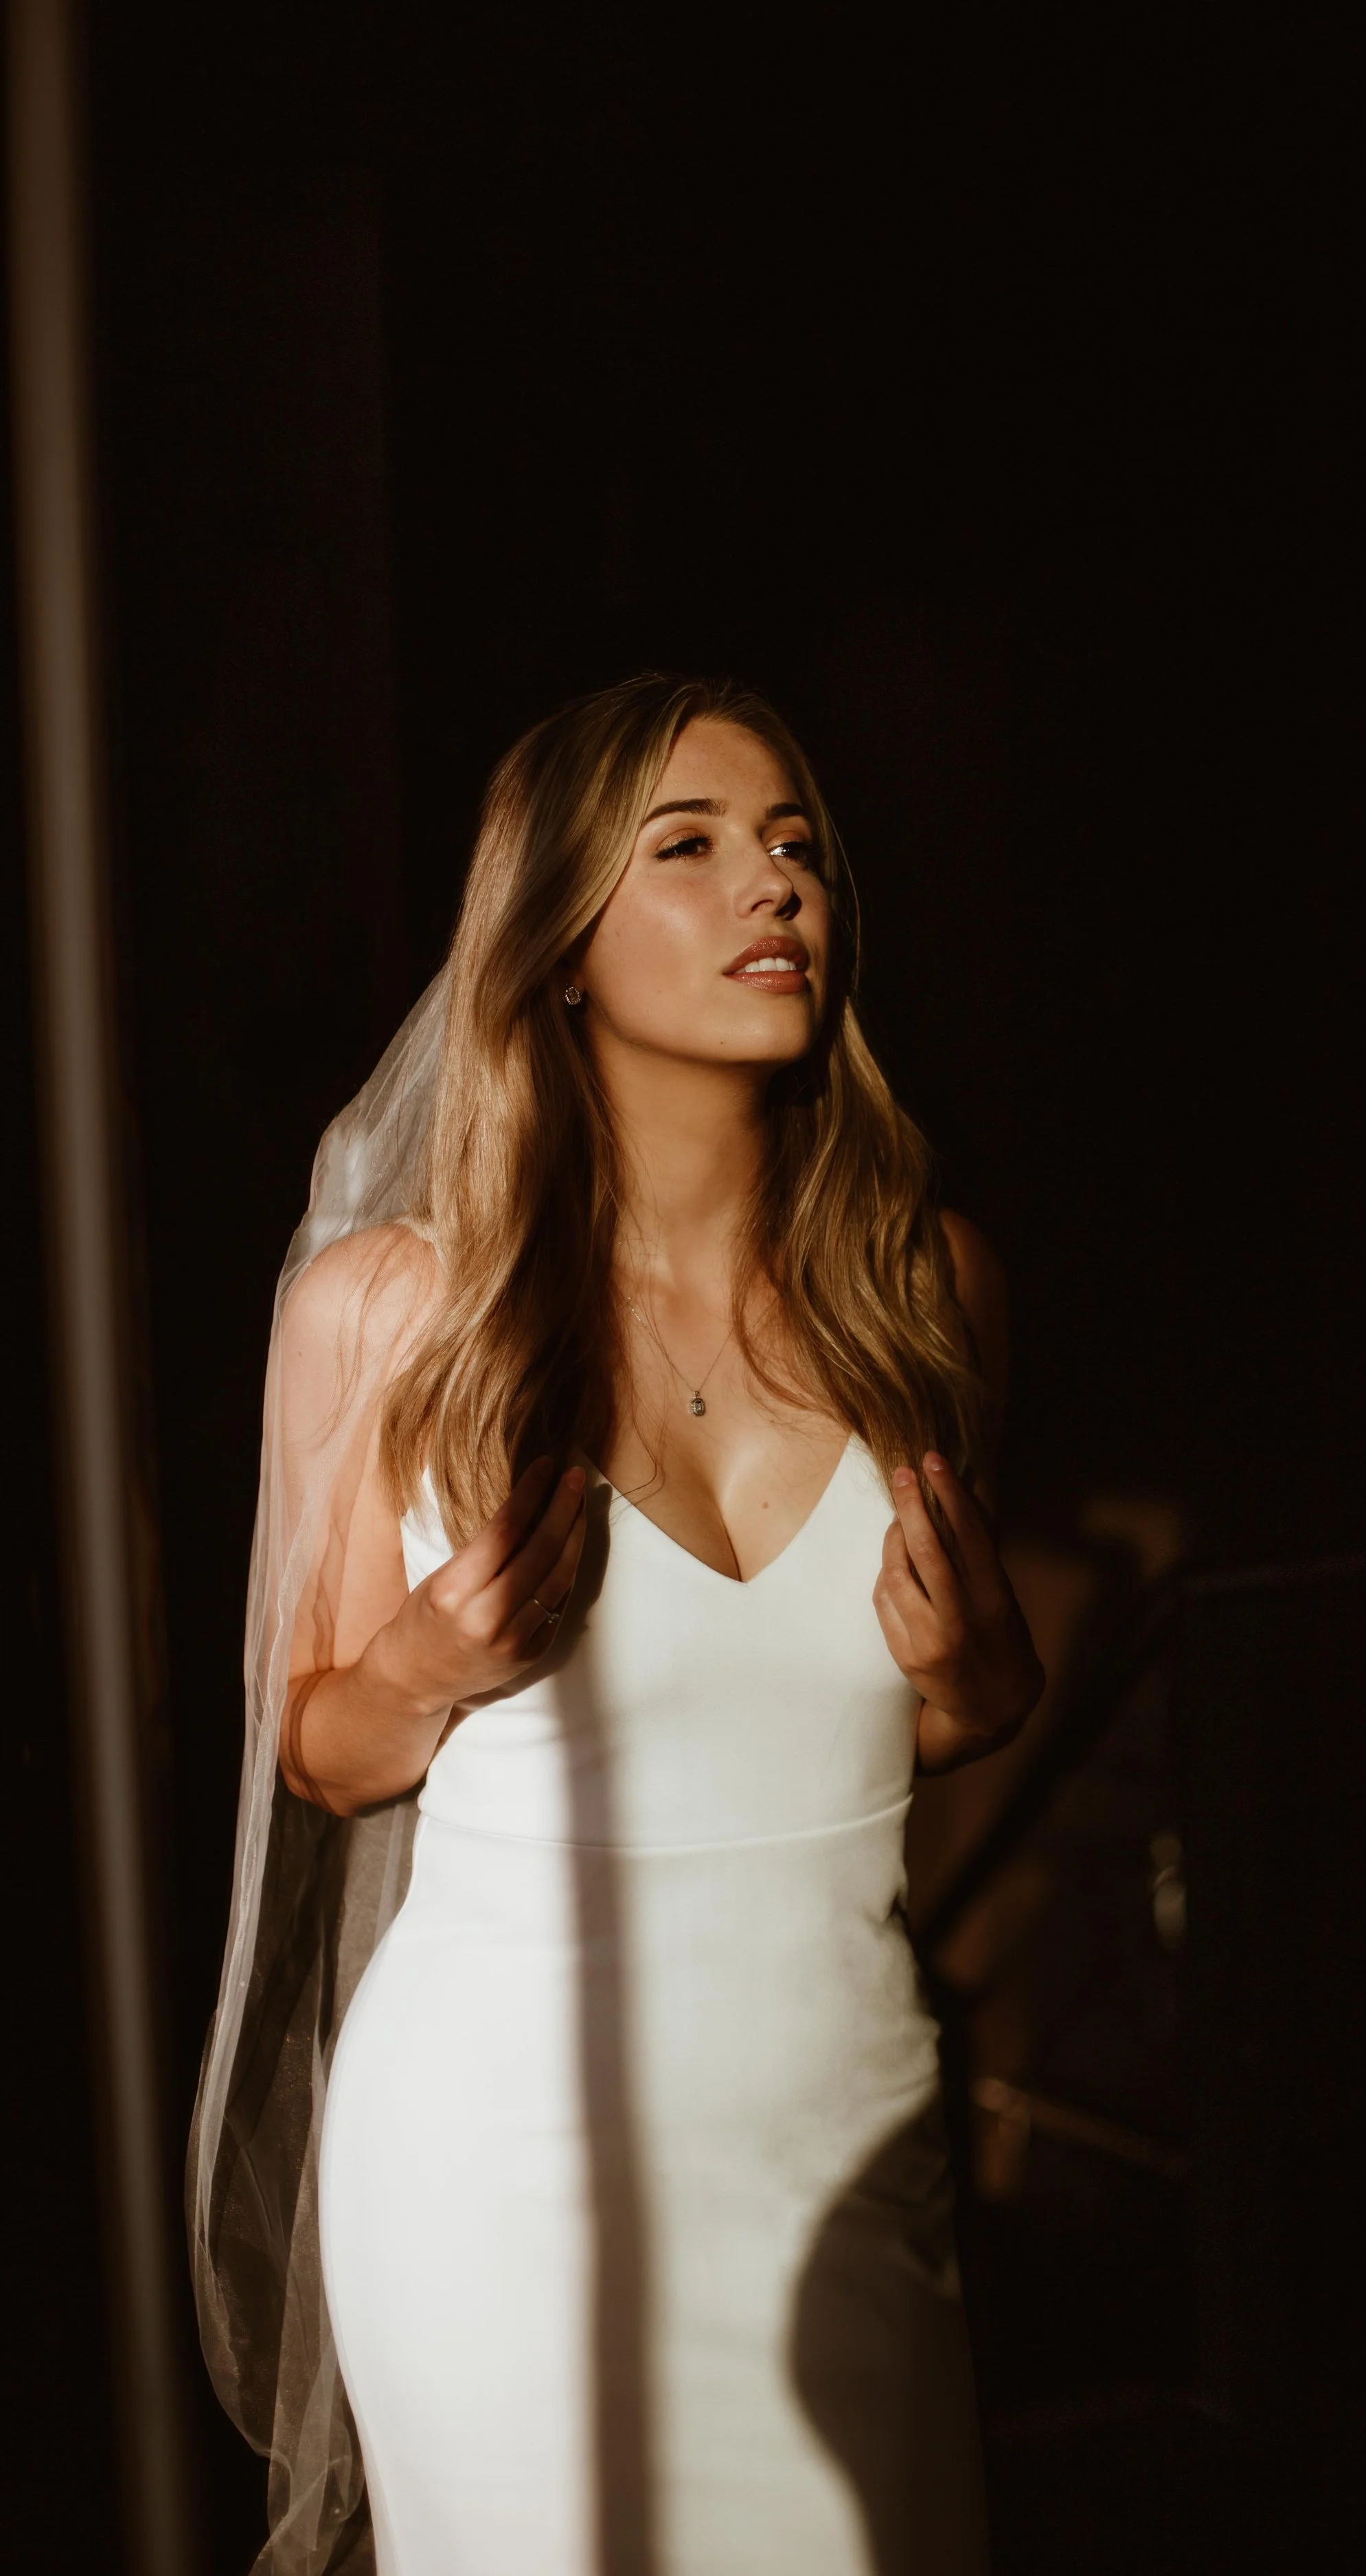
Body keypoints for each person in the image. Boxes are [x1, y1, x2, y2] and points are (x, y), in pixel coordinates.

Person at [189, 673, 1043, 2576]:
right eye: (692, 847)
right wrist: (424, 1659)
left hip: (840, 2144)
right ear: (557, 939)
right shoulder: (388, 1310)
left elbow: (896, 1717)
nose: (776, 888)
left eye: (799, 847)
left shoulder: (927, 1289)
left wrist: (984, 1681)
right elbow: (319, 1748)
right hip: (507, 2167)